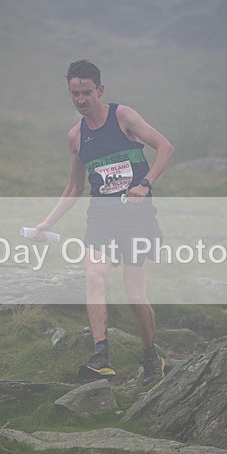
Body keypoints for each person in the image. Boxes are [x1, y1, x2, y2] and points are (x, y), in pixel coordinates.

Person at [32, 59, 174, 385]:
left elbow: (165, 148)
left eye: (86, 93)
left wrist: (145, 184)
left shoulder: (123, 116)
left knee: (135, 295)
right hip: (101, 216)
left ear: (100, 90)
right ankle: (101, 354)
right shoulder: (75, 137)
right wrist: (46, 224)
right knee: (94, 274)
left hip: (138, 216)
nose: (81, 100)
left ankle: (151, 355)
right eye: (74, 94)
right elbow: (75, 188)